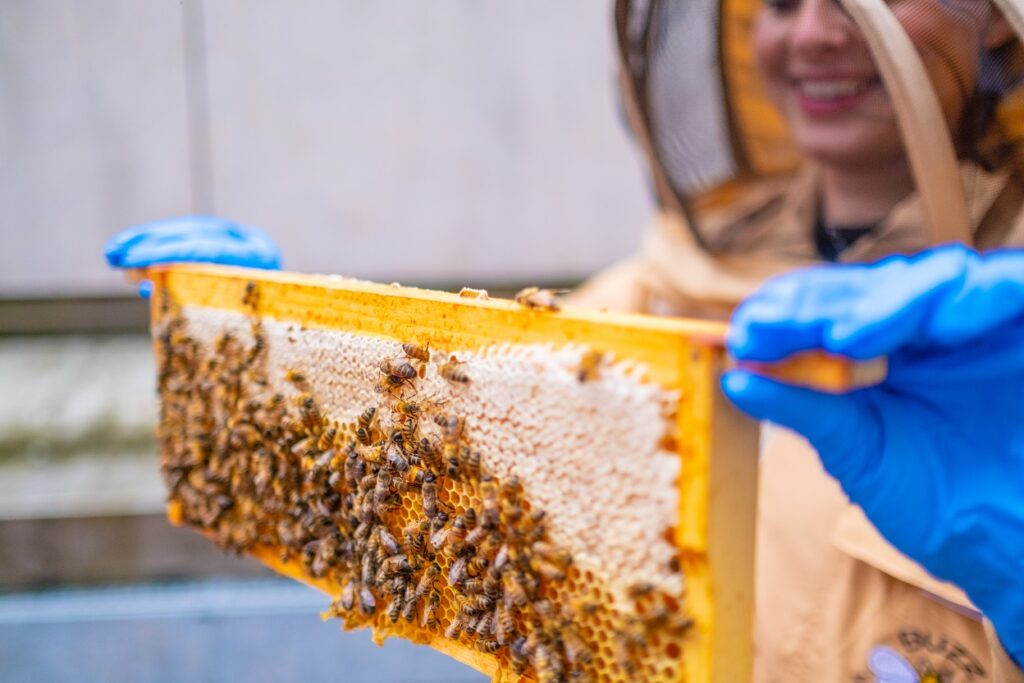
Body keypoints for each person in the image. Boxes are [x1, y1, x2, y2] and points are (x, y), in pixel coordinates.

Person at [106, 1, 1024, 680]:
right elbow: (437, 502)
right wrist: (270, 358)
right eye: (778, 0)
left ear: (996, 23)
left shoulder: (1005, 326)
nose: (816, 31)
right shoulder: (642, 300)